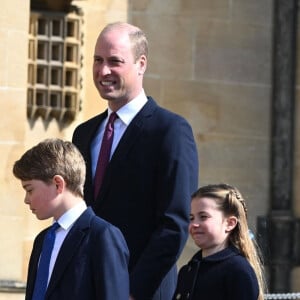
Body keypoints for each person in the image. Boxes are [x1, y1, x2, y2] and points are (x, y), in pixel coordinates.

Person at [72, 21, 199, 300]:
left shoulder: (170, 131)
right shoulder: (84, 134)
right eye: (98, 60)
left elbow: (174, 224)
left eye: (115, 61)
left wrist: (130, 290)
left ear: (141, 64)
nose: (103, 71)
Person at [12, 138, 129, 300]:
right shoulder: (42, 240)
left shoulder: (102, 236)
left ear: (58, 184)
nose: (26, 199)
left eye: (29, 189)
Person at [172, 183, 266, 300]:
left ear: (230, 223)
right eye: (191, 218)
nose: (194, 224)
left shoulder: (238, 270)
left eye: (203, 217)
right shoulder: (187, 271)